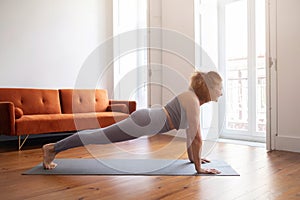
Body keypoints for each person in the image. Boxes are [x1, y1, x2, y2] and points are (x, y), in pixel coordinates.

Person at [43, 70, 223, 174]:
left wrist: (194, 160)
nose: (221, 93)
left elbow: (191, 136)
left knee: (98, 136)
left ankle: (53, 148)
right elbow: (196, 138)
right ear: (209, 89)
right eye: (219, 89)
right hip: (144, 122)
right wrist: (199, 168)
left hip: (147, 120)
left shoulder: (193, 101)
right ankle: (52, 148)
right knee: (97, 137)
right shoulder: (192, 100)